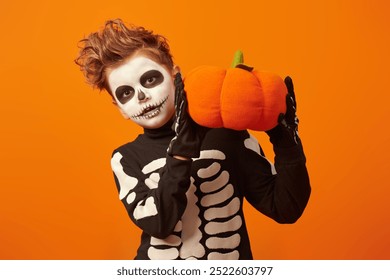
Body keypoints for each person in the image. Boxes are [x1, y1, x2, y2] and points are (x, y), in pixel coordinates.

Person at [75, 18, 311, 260]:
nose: (142, 96)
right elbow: (159, 224)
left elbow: (286, 208)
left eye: (150, 79)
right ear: (120, 108)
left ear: (176, 76)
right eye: (126, 93)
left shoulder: (229, 136)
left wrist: (286, 140)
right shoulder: (125, 158)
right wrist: (181, 151)